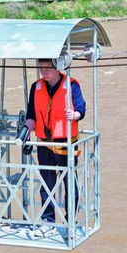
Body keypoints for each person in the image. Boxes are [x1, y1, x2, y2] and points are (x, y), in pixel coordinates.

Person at [25, 59, 86, 238]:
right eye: (41, 68)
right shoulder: (35, 87)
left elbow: (81, 109)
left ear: (57, 67)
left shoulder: (72, 86)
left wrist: (74, 115)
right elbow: (31, 114)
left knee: (69, 183)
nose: (44, 71)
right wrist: (26, 130)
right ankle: (47, 222)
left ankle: (70, 223)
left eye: (47, 68)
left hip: (65, 142)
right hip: (44, 142)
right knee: (46, 183)